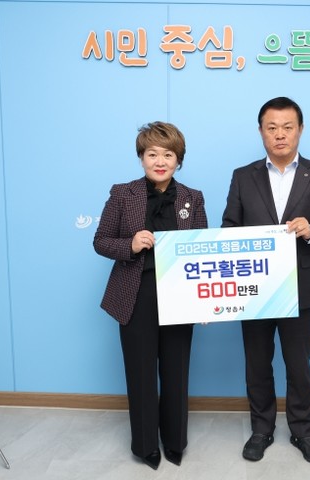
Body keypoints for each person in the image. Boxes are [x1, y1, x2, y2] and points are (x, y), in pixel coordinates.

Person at [221, 97, 310, 464]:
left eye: (287, 127)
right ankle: (261, 429)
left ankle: (303, 431)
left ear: (300, 130)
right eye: (271, 127)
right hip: (255, 289)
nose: (280, 134)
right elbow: (229, 228)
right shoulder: (243, 176)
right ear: (261, 131)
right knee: (257, 364)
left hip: (300, 289)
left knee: (298, 366)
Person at [94, 121, 208, 470]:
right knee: (141, 372)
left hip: (180, 295)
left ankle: (175, 442)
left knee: (176, 371)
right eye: (152, 154)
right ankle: (145, 446)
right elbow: (100, 241)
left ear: (179, 160)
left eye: (168, 155)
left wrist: (204, 302)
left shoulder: (193, 198)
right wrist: (129, 244)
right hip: (136, 294)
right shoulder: (122, 194)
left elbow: (202, 251)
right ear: (141, 157)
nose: (160, 161)